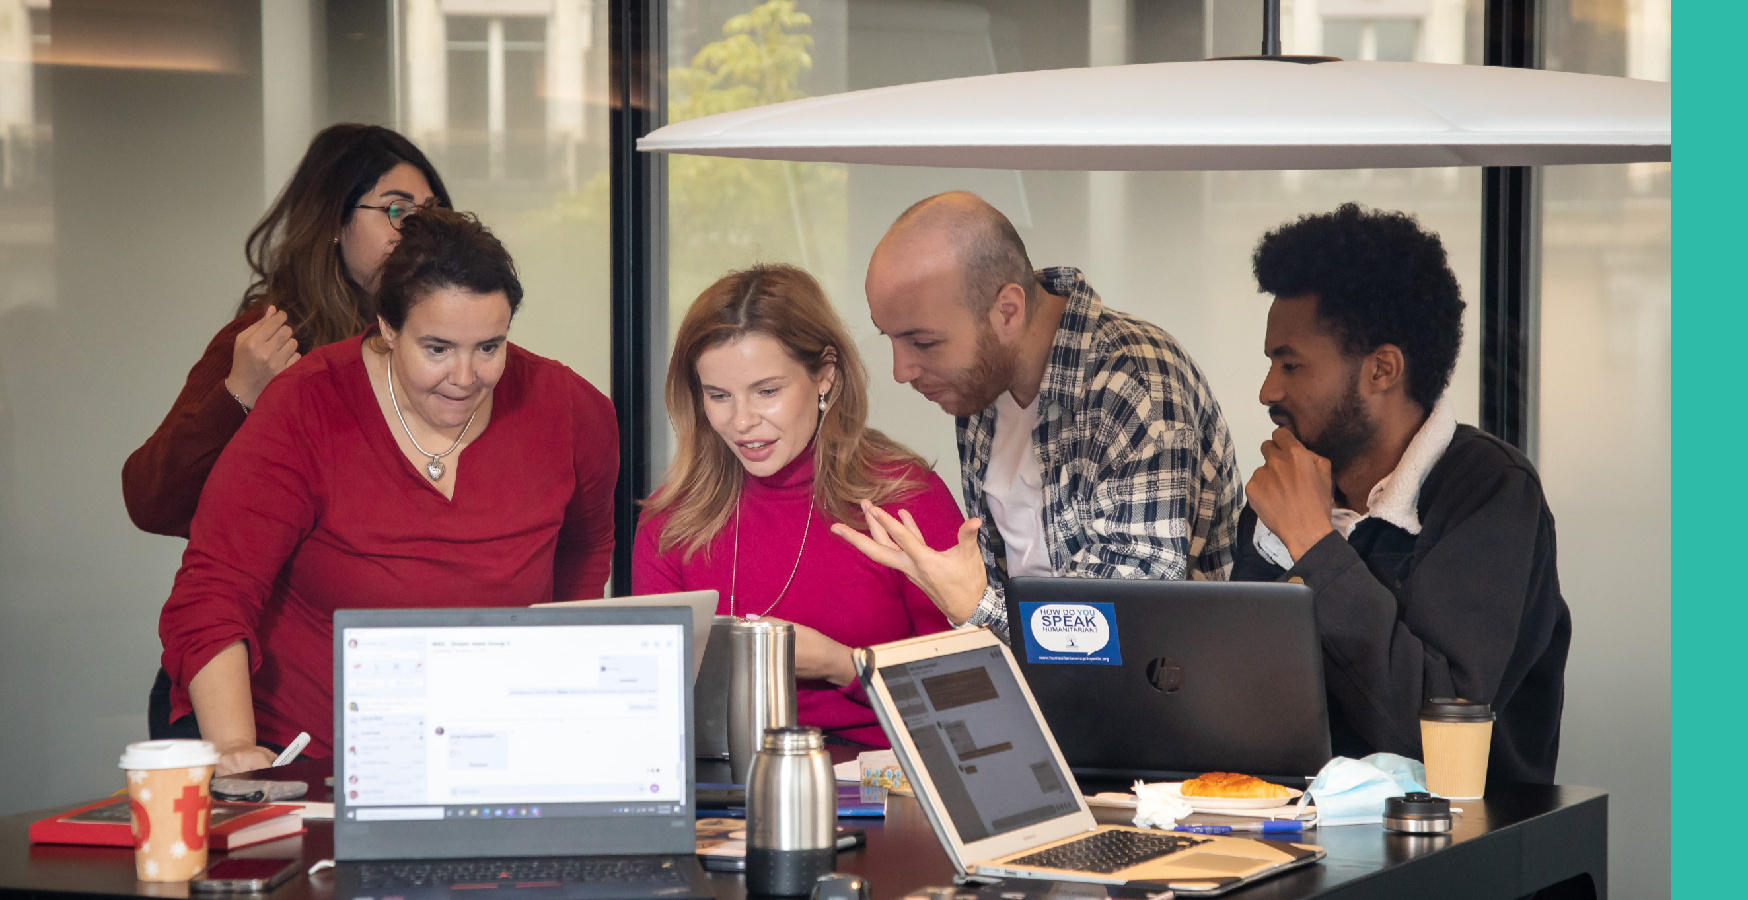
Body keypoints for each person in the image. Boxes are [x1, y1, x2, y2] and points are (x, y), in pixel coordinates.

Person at [158, 209, 617, 774]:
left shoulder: (570, 410)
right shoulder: (308, 406)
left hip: (487, 755)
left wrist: (556, 699)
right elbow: (214, 590)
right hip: (310, 756)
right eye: (438, 349)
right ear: (388, 327)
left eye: (490, 347)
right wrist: (234, 749)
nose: (466, 377)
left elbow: (584, 552)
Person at [125, 123, 451, 741]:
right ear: (334, 220)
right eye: (396, 211)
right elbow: (149, 499)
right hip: (259, 699)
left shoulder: (443, 352)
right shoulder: (273, 336)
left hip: (390, 697)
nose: (419, 233)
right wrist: (239, 394)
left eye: (432, 213)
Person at [1232, 203, 1570, 787]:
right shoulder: (1292, 490)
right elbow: (1243, 697)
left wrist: (1314, 545)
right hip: (1293, 835)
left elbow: (1433, 731)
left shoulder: (1489, 492)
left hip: (1458, 856)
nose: (1268, 390)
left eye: (1291, 365)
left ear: (1382, 369)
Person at [836, 191, 1241, 640]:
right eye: (889, 338)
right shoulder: (982, 383)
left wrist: (972, 605)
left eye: (925, 343)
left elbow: (1123, 633)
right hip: (1044, 694)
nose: (901, 371)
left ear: (1007, 312)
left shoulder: (1134, 383)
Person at [633, 264, 962, 747]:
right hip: (724, 795)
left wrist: (842, 666)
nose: (742, 421)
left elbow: (967, 696)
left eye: (767, 392)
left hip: (891, 784)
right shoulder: (671, 520)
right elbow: (651, 705)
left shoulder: (906, 500)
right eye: (718, 396)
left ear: (825, 376)